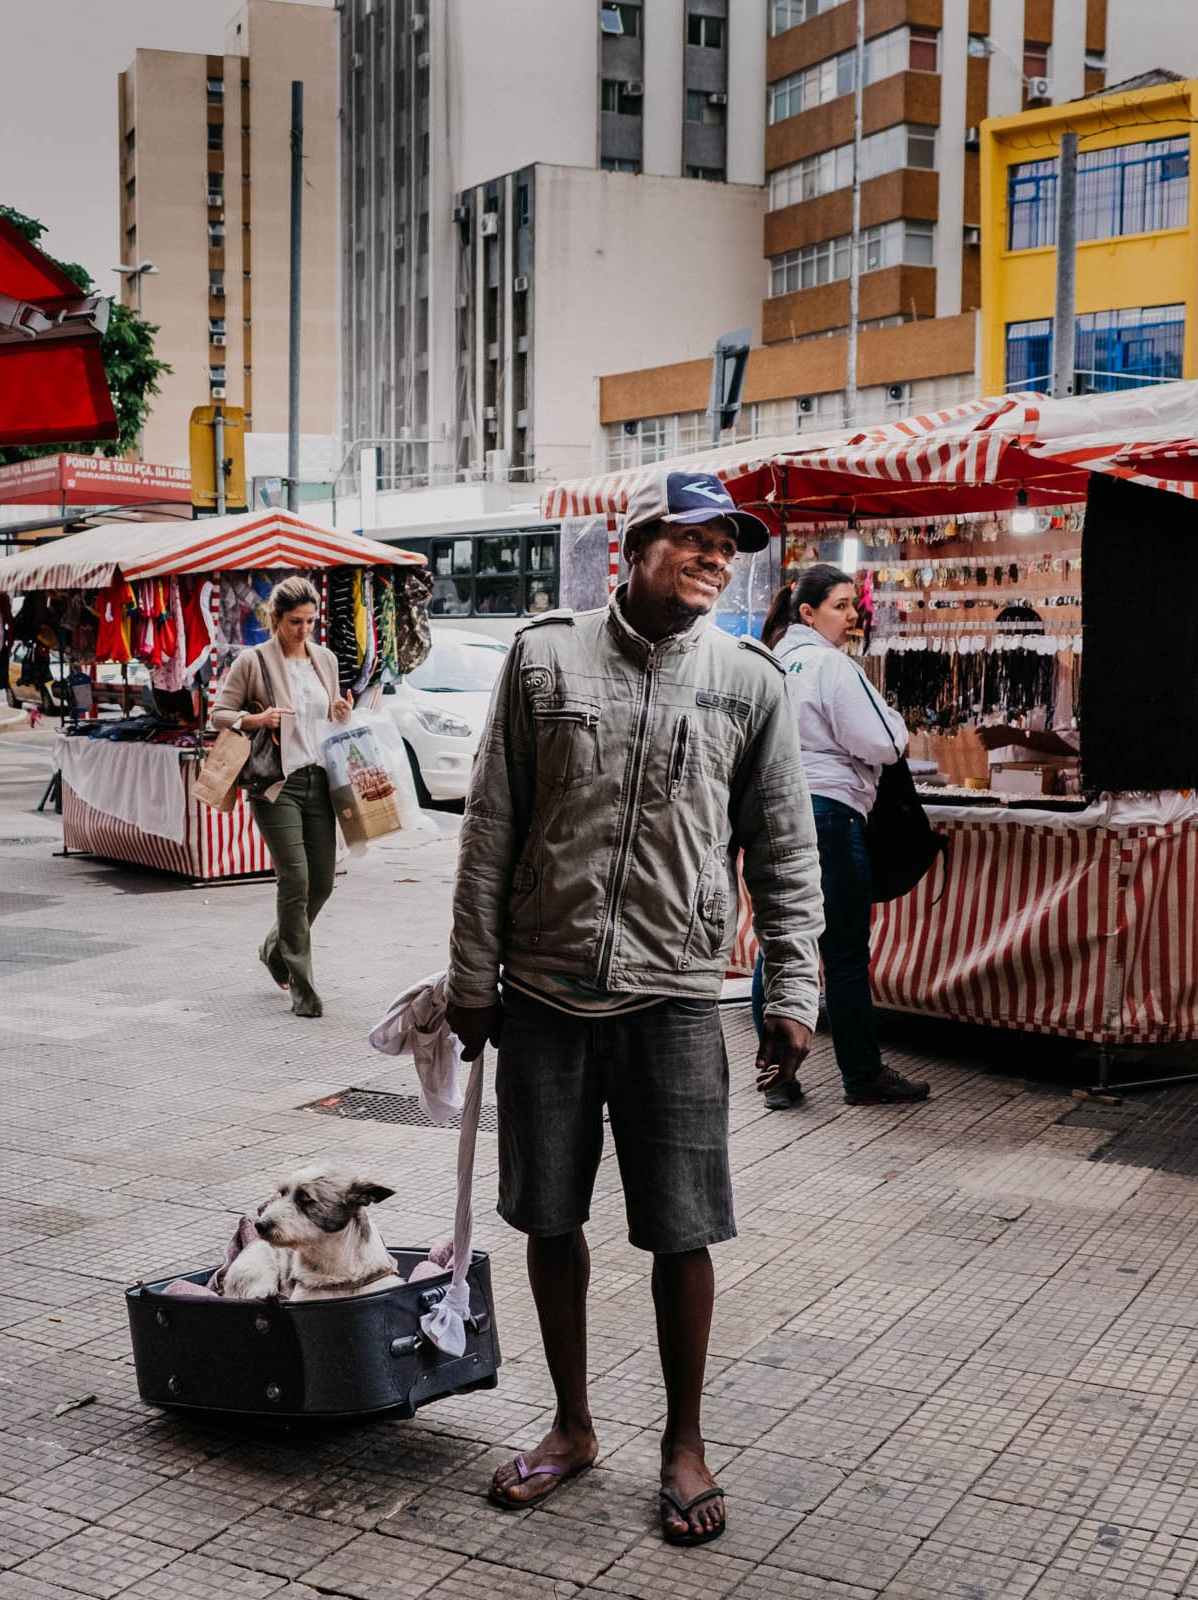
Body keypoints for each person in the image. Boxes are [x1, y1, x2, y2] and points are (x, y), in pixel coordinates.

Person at [449, 469, 822, 1548]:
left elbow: (785, 849)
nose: (717, 557)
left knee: (684, 1227)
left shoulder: (749, 682)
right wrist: (475, 980)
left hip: (674, 994)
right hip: (547, 992)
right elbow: (490, 828)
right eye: (696, 538)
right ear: (637, 543)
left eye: (730, 546)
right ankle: (571, 1424)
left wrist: (791, 988)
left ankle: (684, 1441)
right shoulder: (543, 656)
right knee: (549, 1216)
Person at [751, 564, 930, 1110]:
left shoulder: (773, 661)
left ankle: (777, 1079)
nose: (854, 616)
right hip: (831, 814)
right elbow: (881, 741)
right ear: (807, 612)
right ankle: (862, 1074)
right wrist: (896, 726)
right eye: (842, 605)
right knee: (846, 952)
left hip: (776, 813)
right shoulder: (831, 665)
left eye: (855, 605)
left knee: (781, 944)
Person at [211, 577, 352, 1018]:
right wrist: (259, 720)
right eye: (295, 622)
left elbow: (326, 717)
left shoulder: (325, 660)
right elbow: (220, 713)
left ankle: (275, 949)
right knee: (295, 879)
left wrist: (341, 713)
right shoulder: (252, 661)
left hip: (319, 781)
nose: (304, 629)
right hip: (276, 784)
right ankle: (303, 987)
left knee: (323, 882)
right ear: (276, 619)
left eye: (311, 621)